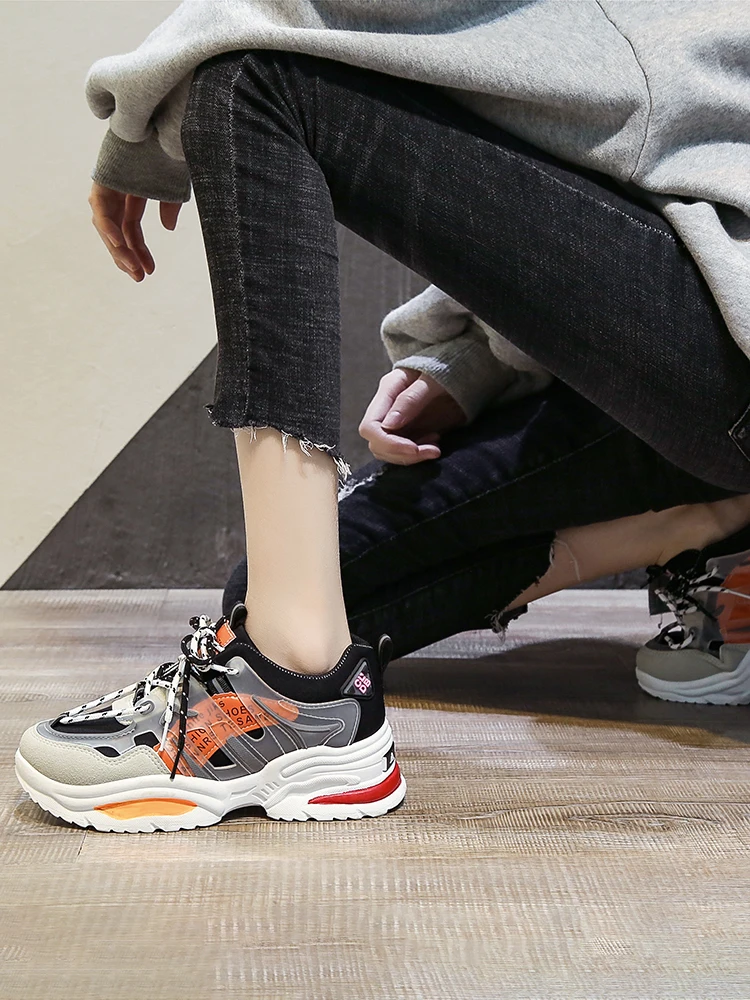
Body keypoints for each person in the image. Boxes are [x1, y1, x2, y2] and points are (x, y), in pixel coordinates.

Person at [14, 1, 750, 833]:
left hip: (730, 362)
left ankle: (293, 689)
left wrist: (141, 119)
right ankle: (705, 527)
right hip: (695, 357)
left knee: (248, 80)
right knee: (284, 587)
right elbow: (620, 140)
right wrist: (472, 360)